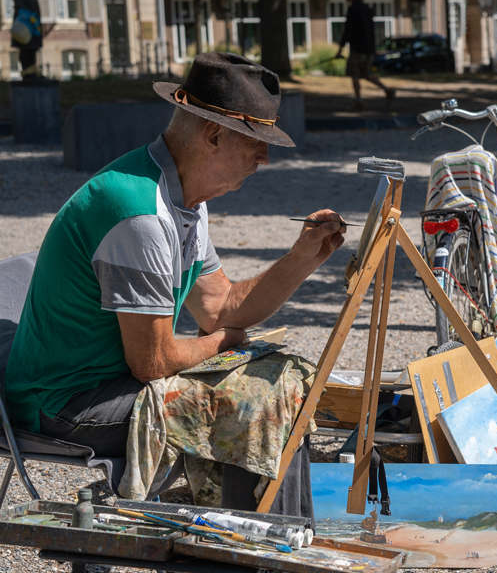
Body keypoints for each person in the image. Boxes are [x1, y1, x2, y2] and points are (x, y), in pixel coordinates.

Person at [5, 52, 346, 517]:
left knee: (277, 383)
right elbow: (154, 361)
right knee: (254, 406)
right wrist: (227, 344)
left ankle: (267, 546)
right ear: (213, 136)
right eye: (256, 143)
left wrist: (299, 260)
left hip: (104, 382)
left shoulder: (184, 198)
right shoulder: (141, 214)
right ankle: (253, 564)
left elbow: (220, 305)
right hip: (65, 404)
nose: (264, 158)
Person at [336, 0, 395, 111]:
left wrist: (340, 49)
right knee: (366, 73)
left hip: (357, 49)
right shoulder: (368, 9)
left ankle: (358, 101)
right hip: (369, 49)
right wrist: (372, 49)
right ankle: (387, 89)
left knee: (354, 75)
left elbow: (348, 30)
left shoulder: (353, 9)